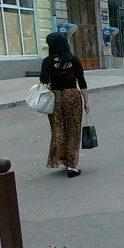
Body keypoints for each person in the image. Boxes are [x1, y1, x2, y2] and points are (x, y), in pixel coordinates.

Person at [39, 32, 90, 178]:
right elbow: (81, 81)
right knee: (73, 130)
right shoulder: (74, 60)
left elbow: (43, 80)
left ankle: (60, 158)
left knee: (58, 129)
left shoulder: (47, 61)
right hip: (72, 96)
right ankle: (71, 165)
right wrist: (86, 101)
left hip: (55, 98)